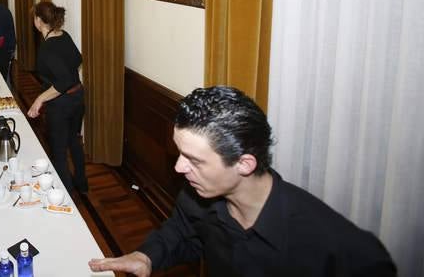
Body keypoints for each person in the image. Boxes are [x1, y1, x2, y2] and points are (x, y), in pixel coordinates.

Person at [88, 86, 397, 277]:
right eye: (180, 154)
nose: (180, 168)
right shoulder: (197, 196)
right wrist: (147, 256)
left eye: (194, 160)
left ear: (244, 164)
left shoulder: (345, 250)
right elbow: (182, 233)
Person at [26, 2, 87, 196]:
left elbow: (64, 81)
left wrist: (39, 99)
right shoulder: (64, 35)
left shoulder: (47, 48)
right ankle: (82, 184)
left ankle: (66, 193)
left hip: (61, 105)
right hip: (78, 97)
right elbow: (78, 59)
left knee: (59, 150)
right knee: (74, 141)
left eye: (34, 17)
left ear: (38, 21)